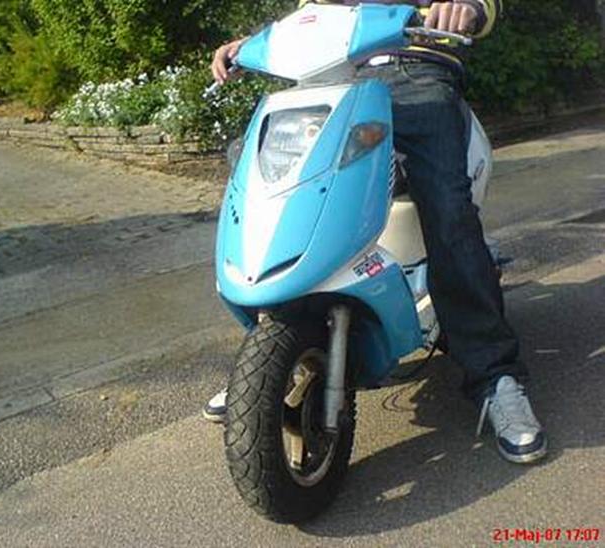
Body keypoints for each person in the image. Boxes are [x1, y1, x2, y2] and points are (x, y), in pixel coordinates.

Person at [203, 0, 547, 464]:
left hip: (415, 72)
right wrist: (257, 44)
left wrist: (466, 8)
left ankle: (495, 376)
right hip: (332, 79)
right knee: (266, 178)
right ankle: (271, 358)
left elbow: (485, 5)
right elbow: (311, 15)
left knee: (447, 207)